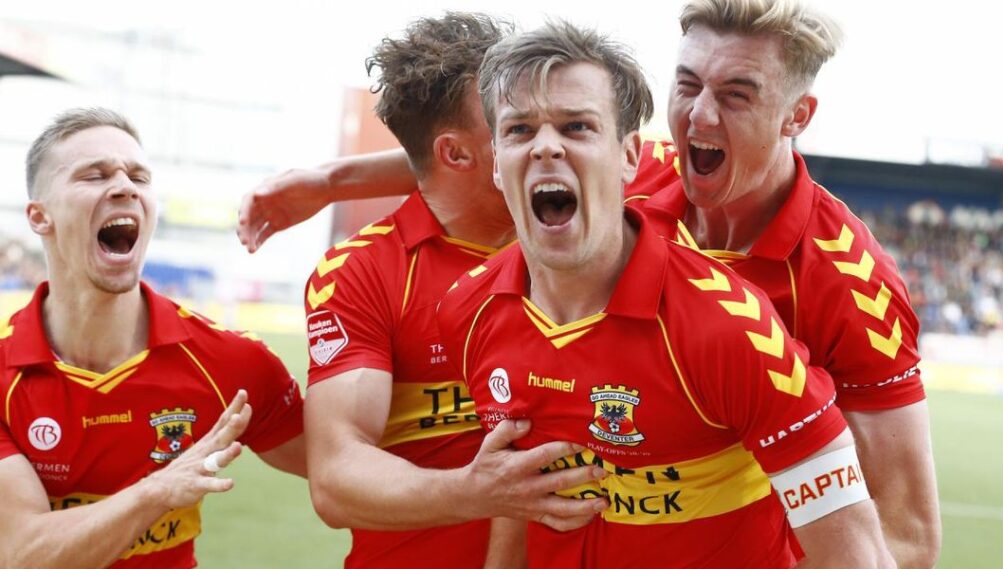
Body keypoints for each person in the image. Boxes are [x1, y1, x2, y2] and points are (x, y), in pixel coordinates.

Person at [236, 3, 940, 565]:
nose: (699, 117)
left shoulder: (845, 282)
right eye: (687, 86)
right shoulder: (637, 181)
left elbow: (906, 535)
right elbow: (490, 151)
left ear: (796, 116)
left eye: (737, 95)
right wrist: (329, 180)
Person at [435, 20, 894, 568]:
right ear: (495, 162)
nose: (547, 147)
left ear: (630, 156)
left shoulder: (731, 330)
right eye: (519, 130)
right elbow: (518, 501)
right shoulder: (466, 312)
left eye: (577, 127)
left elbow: (859, 555)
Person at [294, 13, 606, 569]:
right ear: (456, 154)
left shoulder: (596, 215)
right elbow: (336, 479)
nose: (545, 140)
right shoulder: (364, 270)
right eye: (512, 121)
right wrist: (476, 491)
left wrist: (333, 179)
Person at [0, 108, 306, 569]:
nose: (125, 187)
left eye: (139, 177)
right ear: (40, 217)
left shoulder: (230, 361)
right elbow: (23, 554)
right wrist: (158, 490)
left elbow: (349, 472)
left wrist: (343, 183)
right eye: (95, 175)